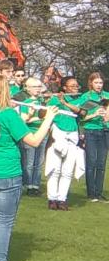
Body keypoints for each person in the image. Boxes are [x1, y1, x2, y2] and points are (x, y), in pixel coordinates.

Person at [0, 76, 57, 261]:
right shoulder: (8, 114)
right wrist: (48, 119)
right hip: (6, 172)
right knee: (3, 221)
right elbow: (34, 141)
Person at [45, 75, 84, 209]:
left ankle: (62, 199)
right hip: (58, 133)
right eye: (72, 86)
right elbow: (44, 114)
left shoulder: (79, 99)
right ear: (64, 87)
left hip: (72, 135)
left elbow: (82, 112)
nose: (75, 88)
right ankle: (52, 199)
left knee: (67, 170)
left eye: (76, 86)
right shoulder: (55, 99)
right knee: (55, 169)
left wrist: (65, 103)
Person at [14, 75, 48, 194]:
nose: (38, 89)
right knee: (29, 161)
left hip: (42, 133)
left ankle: (36, 185)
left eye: (39, 86)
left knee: (39, 162)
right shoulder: (26, 103)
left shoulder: (42, 102)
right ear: (27, 88)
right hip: (30, 133)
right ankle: (28, 185)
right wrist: (37, 117)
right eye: (35, 87)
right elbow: (24, 120)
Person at [81, 71, 109, 202]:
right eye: (96, 82)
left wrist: (106, 116)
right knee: (91, 161)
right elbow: (81, 117)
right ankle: (91, 193)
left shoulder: (107, 96)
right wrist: (94, 114)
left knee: (101, 163)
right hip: (90, 131)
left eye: (101, 82)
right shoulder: (86, 97)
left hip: (104, 131)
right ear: (91, 83)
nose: (99, 85)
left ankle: (99, 192)